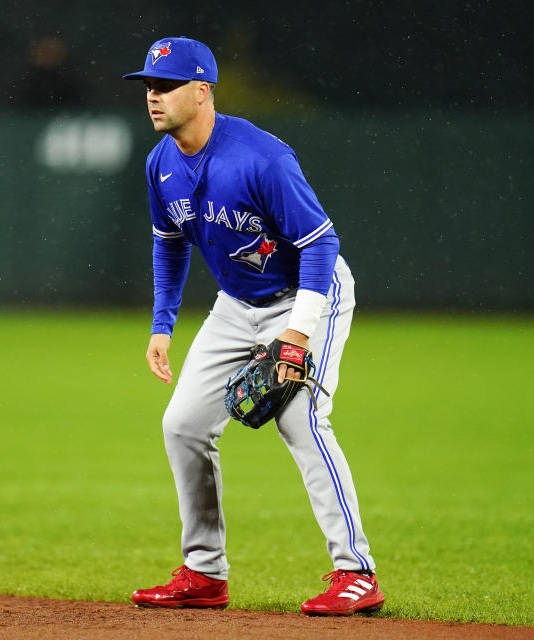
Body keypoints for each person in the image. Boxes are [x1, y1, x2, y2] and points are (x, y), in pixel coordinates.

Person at [122, 36, 384, 616]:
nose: (153, 97)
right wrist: (162, 325)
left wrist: (297, 333)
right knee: (183, 424)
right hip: (237, 303)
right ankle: (204, 573)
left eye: (165, 86)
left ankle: (356, 572)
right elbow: (169, 245)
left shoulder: (261, 157)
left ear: (202, 90)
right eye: (148, 86)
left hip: (308, 296)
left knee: (302, 421)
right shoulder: (160, 163)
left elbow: (321, 244)